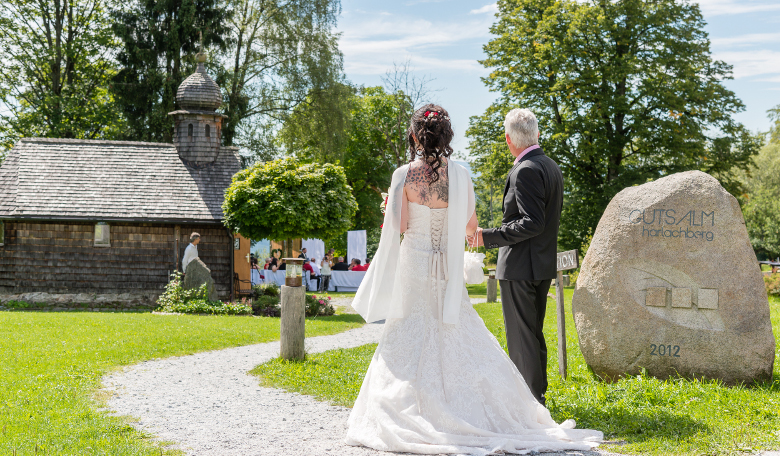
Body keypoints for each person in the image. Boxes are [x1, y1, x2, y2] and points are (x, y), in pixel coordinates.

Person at [346, 104, 601, 454]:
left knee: (410, 330)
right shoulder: (461, 174)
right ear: (447, 136)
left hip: (416, 266)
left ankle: (414, 404)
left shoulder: (403, 175)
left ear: (416, 136)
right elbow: (469, 228)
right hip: (448, 269)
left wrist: (390, 206)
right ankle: (480, 403)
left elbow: (400, 227)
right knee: (454, 330)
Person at [471, 108, 562, 406]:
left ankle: (529, 405)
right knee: (532, 337)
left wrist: (488, 236)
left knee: (523, 340)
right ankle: (537, 400)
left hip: (521, 267)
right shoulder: (549, 165)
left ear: (509, 139)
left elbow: (532, 222)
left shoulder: (525, 170)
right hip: (540, 266)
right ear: (536, 134)